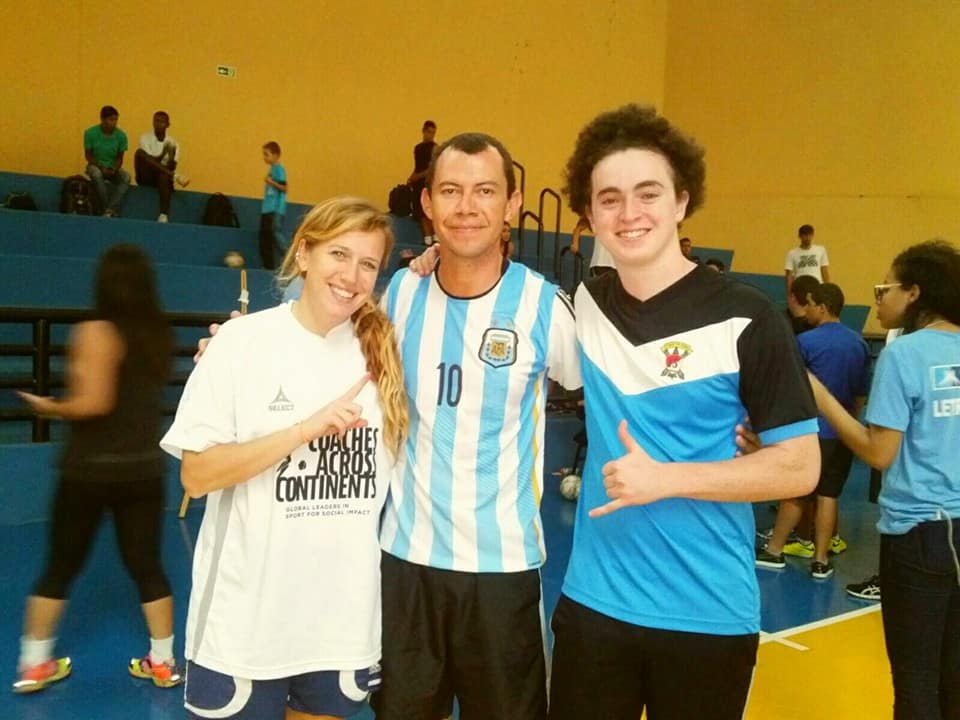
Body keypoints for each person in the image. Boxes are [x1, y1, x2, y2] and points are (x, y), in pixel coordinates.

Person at [548, 104, 820, 720]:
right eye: (609, 199)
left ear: (681, 201)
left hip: (706, 615)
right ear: (590, 213)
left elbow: (800, 467)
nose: (629, 213)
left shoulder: (748, 315)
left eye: (648, 193)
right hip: (594, 607)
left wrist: (667, 479)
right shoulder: (586, 303)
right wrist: (430, 262)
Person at [162, 197, 408, 720]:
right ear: (303, 254)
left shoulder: (386, 352)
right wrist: (302, 430)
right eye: (338, 254)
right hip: (244, 627)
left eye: (368, 264)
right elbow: (196, 475)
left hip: (338, 625)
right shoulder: (240, 343)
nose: (351, 276)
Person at [375, 132, 581, 720]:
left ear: (512, 203)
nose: (467, 207)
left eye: (485, 191)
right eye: (451, 191)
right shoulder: (402, 293)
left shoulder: (544, 306)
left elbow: (607, 393)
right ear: (428, 203)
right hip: (407, 563)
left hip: (502, 570)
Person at [13, 244, 179, 693]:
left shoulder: (95, 331)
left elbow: (94, 402)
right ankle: (163, 662)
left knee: (59, 566)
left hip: (89, 470)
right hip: (143, 469)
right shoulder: (157, 334)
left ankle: (34, 664)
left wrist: (49, 407)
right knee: (148, 566)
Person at [807, 239, 960, 719]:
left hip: (920, 534)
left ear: (914, 293)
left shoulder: (904, 354)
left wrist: (819, 395)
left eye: (885, 288)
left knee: (915, 683)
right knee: (953, 678)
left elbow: (878, 452)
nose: (878, 299)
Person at [756, 282, 870, 578]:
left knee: (796, 492)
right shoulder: (859, 343)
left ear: (822, 307)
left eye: (810, 305)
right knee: (829, 495)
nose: (805, 311)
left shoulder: (805, 342)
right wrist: (849, 423)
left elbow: (789, 387)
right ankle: (821, 560)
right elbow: (861, 393)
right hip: (843, 433)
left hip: (812, 431)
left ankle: (774, 550)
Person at [135, 111, 190, 223]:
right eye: (156, 121)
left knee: (164, 175)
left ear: (167, 124)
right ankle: (175, 177)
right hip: (146, 176)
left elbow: (171, 167)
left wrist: (170, 157)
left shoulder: (173, 143)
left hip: (162, 179)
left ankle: (163, 214)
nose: (158, 124)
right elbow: (149, 162)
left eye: (162, 122)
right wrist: (163, 153)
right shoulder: (145, 138)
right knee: (139, 153)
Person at [84, 105, 130, 217]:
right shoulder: (90, 133)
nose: (114, 123)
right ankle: (106, 208)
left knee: (126, 177)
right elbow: (89, 156)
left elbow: (120, 158)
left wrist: (114, 169)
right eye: (111, 119)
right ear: (103, 120)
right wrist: (101, 167)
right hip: (95, 165)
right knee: (96, 174)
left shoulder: (121, 136)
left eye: (116, 120)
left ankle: (110, 209)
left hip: (112, 167)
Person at [259, 141, 288, 270]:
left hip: (275, 209)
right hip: (267, 208)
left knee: (275, 233)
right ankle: (268, 265)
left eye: (267, 154)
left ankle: (289, 256)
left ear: (276, 155)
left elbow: (284, 188)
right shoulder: (272, 170)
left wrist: (270, 182)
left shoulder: (279, 169)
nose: (264, 157)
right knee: (265, 237)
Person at [407, 120, 437, 245]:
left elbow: (433, 168)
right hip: (418, 183)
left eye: (433, 133)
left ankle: (435, 239)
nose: (431, 135)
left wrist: (417, 176)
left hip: (427, 182)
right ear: (423, 131)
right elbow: (418, 166)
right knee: (420, 214)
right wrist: (411, 178)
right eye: (429, 132)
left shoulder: (434, 148)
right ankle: (428, 240)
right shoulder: (418, 148)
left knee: (428, 211)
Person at [785, 223, 830, 295]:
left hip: (817, 287)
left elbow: (824, 271)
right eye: (805, 235)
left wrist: (828, 289)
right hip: (800, 288)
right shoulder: (792, 253)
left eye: (810, 235)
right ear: (800, 236)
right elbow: (789, 276)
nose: (808, 237)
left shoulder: (821, 250)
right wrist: (789, 294)